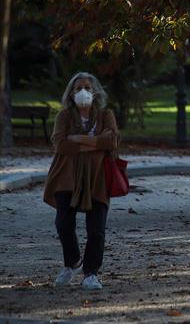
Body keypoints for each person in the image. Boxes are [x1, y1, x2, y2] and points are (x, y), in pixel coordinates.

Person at [43, 72, 120, 290]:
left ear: (95, 91)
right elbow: (60, 145)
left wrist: (79, 139)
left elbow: (112, 141)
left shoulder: (106, 115)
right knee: (63, 224)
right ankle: (73, 262)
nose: (83, 92)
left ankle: (91, 273)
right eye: (78, 88)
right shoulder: (64, 117)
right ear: (71, 93)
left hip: (98, 179)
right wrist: (96, 142)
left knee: (96, 229)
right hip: (66, 176)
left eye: (87, 87)